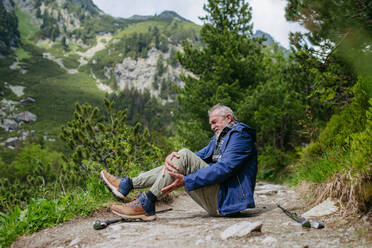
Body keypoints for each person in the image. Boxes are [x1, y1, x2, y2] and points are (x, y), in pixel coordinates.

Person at [100, 104, 257, 220]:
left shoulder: (240, 136)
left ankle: (146, 203)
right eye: (210, 123)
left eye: (214, 122)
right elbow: (190, 158)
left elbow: (225, 168)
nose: (212, 127)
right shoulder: (218, 139)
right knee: (178, 158)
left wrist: (187, 180)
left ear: (228, 118)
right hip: (220, 198)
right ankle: (127, 184)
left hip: (226, 201)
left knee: (183, 155)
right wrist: (171, 157)